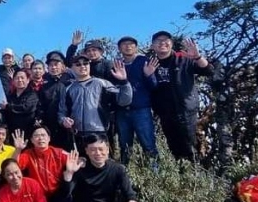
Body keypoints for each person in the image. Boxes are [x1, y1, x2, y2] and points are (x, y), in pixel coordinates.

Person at [148, 31, 214, 162]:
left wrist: (197, 57)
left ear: (171, 44)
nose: (162, 43)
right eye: (158, 41)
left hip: (185, 111)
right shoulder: (150, 63)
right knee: (174, 148)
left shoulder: (183, 58)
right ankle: (181, 177)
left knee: (190, 147)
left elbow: (208, 70)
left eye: (166, 40)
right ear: (152, 46)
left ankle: (196, 177)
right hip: (165, 113)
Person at [58, 51, 132, 157]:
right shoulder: (68, 89)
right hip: (77, 135)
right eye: (78, 64)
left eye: (85, 63)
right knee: (82, 168)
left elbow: (124, 101)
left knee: (104, 166)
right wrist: (63, 120)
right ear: (72, 68)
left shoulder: (102, 83)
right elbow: (62, 112)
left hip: (100, 133)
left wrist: (124, 82)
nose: (82, 66)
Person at [115, 36, 159, 167]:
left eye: (131, 44)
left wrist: (149, 75)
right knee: (125, 147)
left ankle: (154, 178)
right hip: (122, 111)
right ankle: (126, 177)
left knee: (148, 145)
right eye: (124, 44)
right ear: (119, 48)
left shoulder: (144, 61)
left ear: (136, 47)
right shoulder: (117, 64)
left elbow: (154, 86)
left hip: (141, 110)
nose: (128, 46)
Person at [0, 68, 39, 139]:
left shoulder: (32, 94)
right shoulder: (10, 96)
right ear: (13, 81)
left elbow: (26, 108)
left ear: (28, 80)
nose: (20, 80)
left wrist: (8, 106)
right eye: (17, 78)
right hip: (11, 132)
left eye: (22, 78)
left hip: (28, 132)